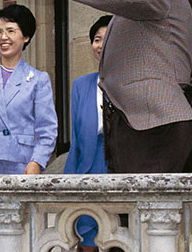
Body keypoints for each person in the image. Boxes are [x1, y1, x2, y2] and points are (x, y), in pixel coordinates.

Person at [16, 0, 192, 173]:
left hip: (156, 124)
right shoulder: (131, 5)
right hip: (131, 125)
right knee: (130, 209)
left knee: (150, 209)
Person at [0, 4, 57, 174]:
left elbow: (47, 129)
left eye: (11, 31)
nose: (3, 37)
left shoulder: (38, 80)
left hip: (22, 164)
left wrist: (37, 161)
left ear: (25, 36)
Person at [64, 14, 111, 252]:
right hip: (87, 167)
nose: (100, 45)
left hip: (118, 167)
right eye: (96, 39)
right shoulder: (81, 85)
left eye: (107, 38)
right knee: (86, 239)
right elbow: (76, 137)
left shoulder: (132, 83)